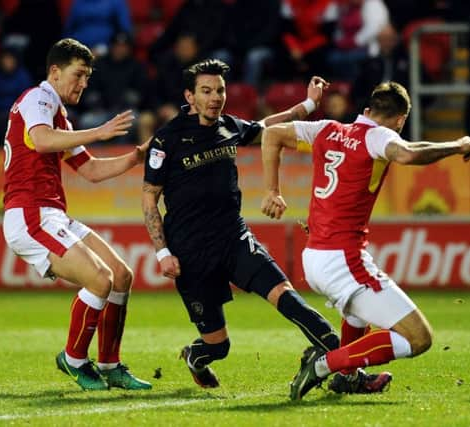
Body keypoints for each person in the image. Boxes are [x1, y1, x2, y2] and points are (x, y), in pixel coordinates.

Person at [260, 81, 470, 400]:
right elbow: (406, 154)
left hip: (316, 255)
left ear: (367, 110)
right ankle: (325, 364)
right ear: (400, 120)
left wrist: (272, 191)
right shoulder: (379, 136)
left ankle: (347, 377)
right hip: (343, 260)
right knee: (419, 338)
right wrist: (456, 146)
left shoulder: (327, 128)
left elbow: (272, 134)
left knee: (356, 313)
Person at [142, 59, 342, 390]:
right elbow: (149, 197)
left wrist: (309, 104)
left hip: (234, 238)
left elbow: (270, 126)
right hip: (191, 252)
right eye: (206, 91)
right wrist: (162, 251)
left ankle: (342, 363)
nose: (215, 97)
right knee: (218, 346)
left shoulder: (229, 126)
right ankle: (197, 356)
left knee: (286, 295)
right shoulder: (167, 140)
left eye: (219, 90)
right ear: (190, 96)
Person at [2, 38, 151, 391]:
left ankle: (110, 364)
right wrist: (99, 131)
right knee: (99, 279)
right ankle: (73, 359)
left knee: (120, 274)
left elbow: (92, 170)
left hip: (52, 213)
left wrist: (136, 156)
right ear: (54, 72)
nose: (83, 84)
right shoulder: (37, 100)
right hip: (30, 214)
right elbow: (40, 141)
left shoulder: (59, 117)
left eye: (87, 77)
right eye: (78, 75)